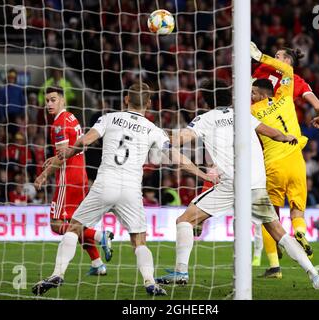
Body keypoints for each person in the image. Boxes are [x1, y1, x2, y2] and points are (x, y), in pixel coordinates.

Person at [32, 82, 216, 296]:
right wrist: (203, 174)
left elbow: (86, 141)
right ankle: (149, 282)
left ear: (126, 99)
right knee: (139, 240)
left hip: (104, 184)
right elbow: (177, 158)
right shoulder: (153, 130)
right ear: (148, 103)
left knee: (73, 228)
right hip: (130, 190)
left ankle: (57, 274)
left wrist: (67, 152)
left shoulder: (108, 118)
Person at [156, 79, 319, 290]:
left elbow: (180, 138)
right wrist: (286, 136)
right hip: (256, 184)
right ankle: (314, 274)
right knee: (278, 232)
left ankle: (181, 272)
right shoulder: (243, 116)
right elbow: (270, 131)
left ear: (206, 100)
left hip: (231, 185)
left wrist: (156, 136)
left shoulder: (205, 119)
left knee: (185, 220)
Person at [250, 42, 314, 279]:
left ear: (259, 94)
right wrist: (262, 57)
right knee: (297, 210)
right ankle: (299, 231)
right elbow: (287, 73)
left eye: (253, 93)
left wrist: (258, 57)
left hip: (274, 164)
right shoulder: (286, 97)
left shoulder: (252, 112)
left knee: (270, 217)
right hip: (296, 159)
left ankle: (275, 266)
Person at [33, 87, 112, 279]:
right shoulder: (72, 118)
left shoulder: (59, 124)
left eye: (53, 100)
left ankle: (100, 236)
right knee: (77, 222)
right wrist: (53, 159)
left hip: (67, 180)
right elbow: (68, 151)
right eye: (47, 101)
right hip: (80, 177)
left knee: (56, 224)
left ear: (62, 100)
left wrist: (43, 175)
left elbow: (62, 157)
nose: (49, 104)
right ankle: (97, 263)